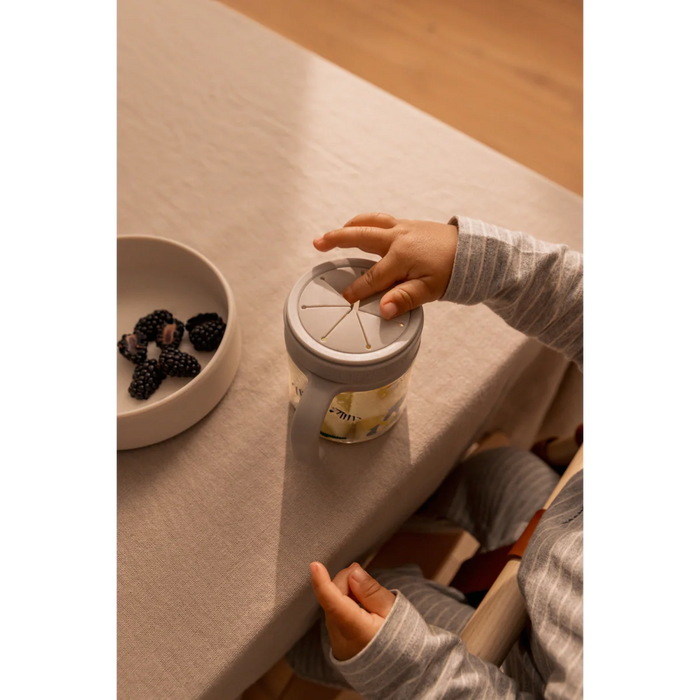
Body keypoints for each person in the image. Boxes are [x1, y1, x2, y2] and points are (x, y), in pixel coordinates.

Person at [287, 212, 586, 699]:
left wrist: (404, 669)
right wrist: (473, 260)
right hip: (563, 532)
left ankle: (300, 650)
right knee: (497, 471)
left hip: (516, 661)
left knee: (352, 604)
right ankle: (413, 515)